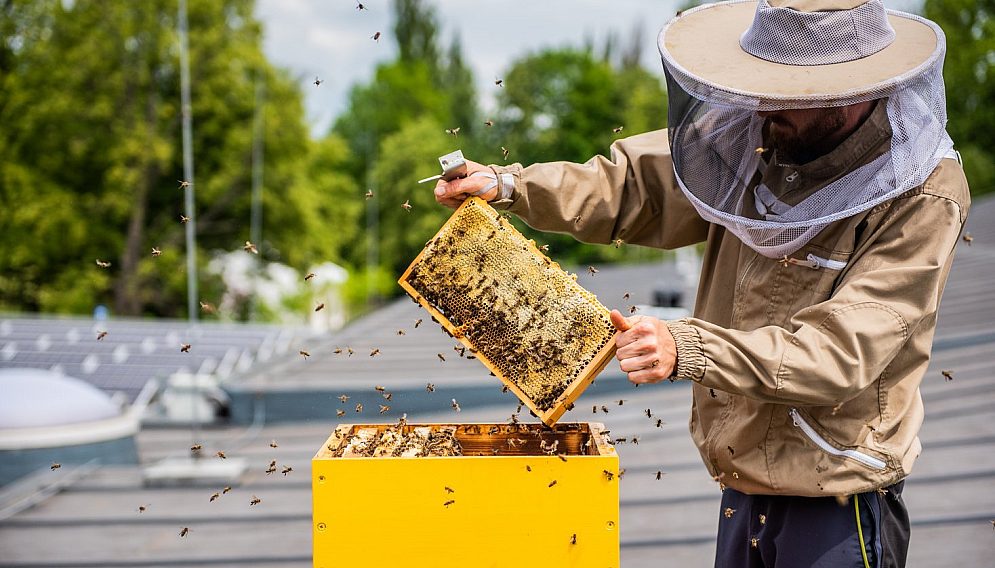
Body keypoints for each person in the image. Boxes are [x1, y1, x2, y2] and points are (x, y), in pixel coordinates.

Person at [433, 1, 970, 566]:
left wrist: (685, 345)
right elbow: (632, 186)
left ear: (849, 91)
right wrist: (510, 185)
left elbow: (840, 351)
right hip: (740, 488)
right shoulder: (752, 135)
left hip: (837, 497)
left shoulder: (923, 194)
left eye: (787, 91)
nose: (764, 105)